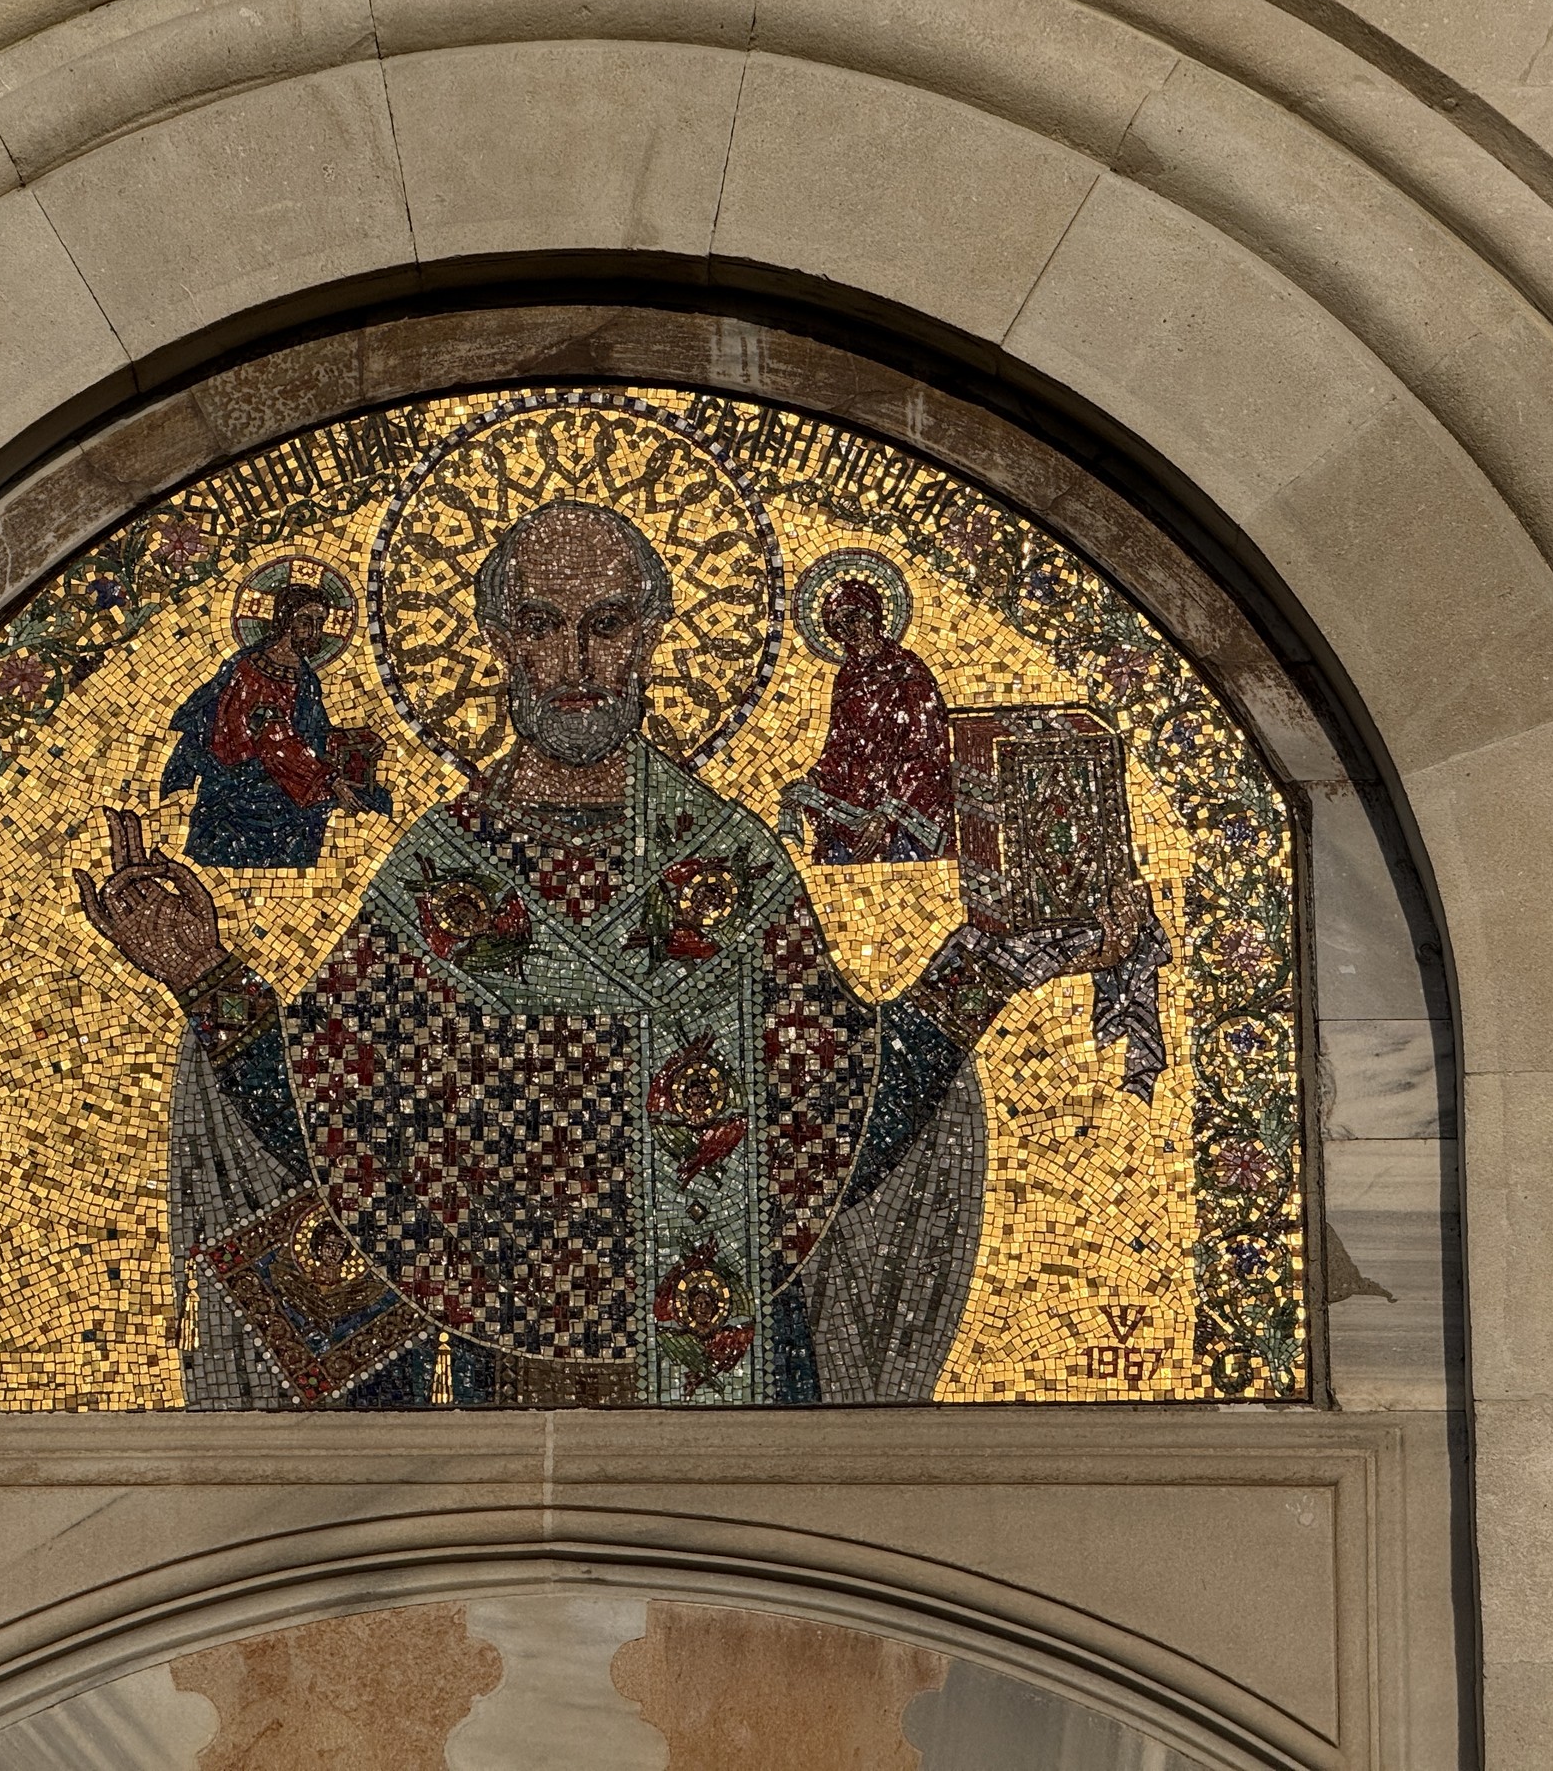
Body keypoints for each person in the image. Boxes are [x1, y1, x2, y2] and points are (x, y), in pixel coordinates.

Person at [79, 502, 1130, 1410]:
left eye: (606, 624)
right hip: (483, 1392)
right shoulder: (434, 878)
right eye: (542, 625)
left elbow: (840, 1117)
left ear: (651, 637)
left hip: (728, 1391)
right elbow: (328, 1124)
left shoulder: (733, 866)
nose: (575, 662)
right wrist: (203, 974)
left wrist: (990, 962)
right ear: (498, 641)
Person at [159, 582, 388, 869]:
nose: (314, 632)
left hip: (288, 780)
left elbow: (311, 735)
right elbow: (274, 739)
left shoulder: (305, 678)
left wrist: (357, 741)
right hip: (241, 793)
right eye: (305, 621)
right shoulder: (251, 671)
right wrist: (330, 781)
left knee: (375, 799)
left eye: (320, 623)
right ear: (285, 621)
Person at [782, 574, 957, 864]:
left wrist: (888, 813)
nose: (847, 631)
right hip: (858, 797)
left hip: (903, 801)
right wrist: (814, 780)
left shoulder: (908, 671)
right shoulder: (847, 678)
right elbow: (840, 746)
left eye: (852, 619)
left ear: (871, 614)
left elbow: (923, 751)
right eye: (837, 627)